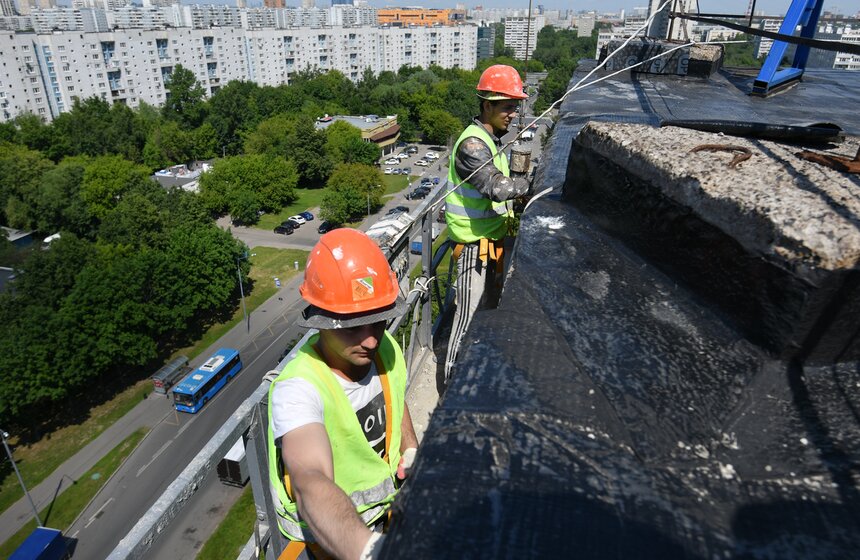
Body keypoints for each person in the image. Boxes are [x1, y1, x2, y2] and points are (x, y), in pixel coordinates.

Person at [267, 228, 419, 560]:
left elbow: (395, 394)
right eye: (352, 328)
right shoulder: (298, 388)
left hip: (385, 518)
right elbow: (309, 479)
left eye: (378, 322)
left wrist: (409, 447)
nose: (371, 341)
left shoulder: (385, 348)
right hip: (326, 546)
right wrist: (368, 551)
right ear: (321, 321)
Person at [444, 64, 532, 381]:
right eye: (507, 107)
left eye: (515, 107)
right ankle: (452, 384)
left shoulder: (490, 140)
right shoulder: (472, 146)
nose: (512, 114)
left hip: (489, 243)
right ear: (487, 105)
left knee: (487, 313)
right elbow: (496, 187)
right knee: (467, 317)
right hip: (473, 248)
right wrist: (532, 188)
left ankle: (477, 371)